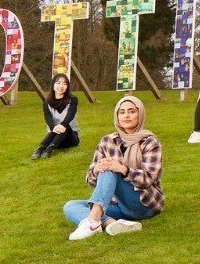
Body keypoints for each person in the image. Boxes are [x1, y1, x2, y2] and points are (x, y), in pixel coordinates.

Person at [64, 95, 163, 239]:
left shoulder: (150, 142)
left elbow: (148, 180)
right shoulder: (107, 141)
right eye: (121, 112)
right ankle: (110, 223)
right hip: (115, 204)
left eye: (131, 111)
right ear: (117, 116)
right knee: (70, 206)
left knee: (110, 168)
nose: (126, 116)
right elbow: (91, 180)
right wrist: (96, 169)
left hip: (143, 204)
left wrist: (122, 169)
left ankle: (92, 222)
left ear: (139, 114)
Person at [32, 74, 81, 160]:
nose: (61, 86)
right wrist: (53, 127)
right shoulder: (46, 102)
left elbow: (71, 114)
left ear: (67, 86)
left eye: (65, 84)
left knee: (65, 126)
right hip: (55, 137)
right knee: (58, 128)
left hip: (71, 138)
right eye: (58, 83)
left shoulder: (72, 99)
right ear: (53, 85)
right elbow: (48, 118)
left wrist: (62, 125)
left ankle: (48, 149)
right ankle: (40, 148)